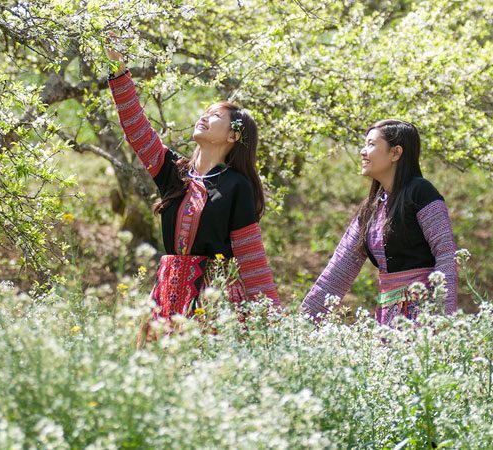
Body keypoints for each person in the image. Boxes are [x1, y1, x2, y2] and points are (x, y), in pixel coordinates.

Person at [105, 36, 280, 345]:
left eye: (215, 116)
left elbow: (251, 260)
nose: (203, 117)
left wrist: (275, 326)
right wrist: (118, 69)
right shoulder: (174, 172)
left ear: (232, 136)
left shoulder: (236, 186)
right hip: (166, 294)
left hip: (213, 303)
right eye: (206, 112)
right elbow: (136, 129)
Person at [301, 120, 457, 325]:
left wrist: (444, 320)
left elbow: (446, 254)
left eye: (371, 144)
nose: (362, 152)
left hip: (425, 319)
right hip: (387, 320)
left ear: (395, 153)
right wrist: (303, 322)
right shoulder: (372, 206)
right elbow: (340, 268)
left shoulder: (421, 192)